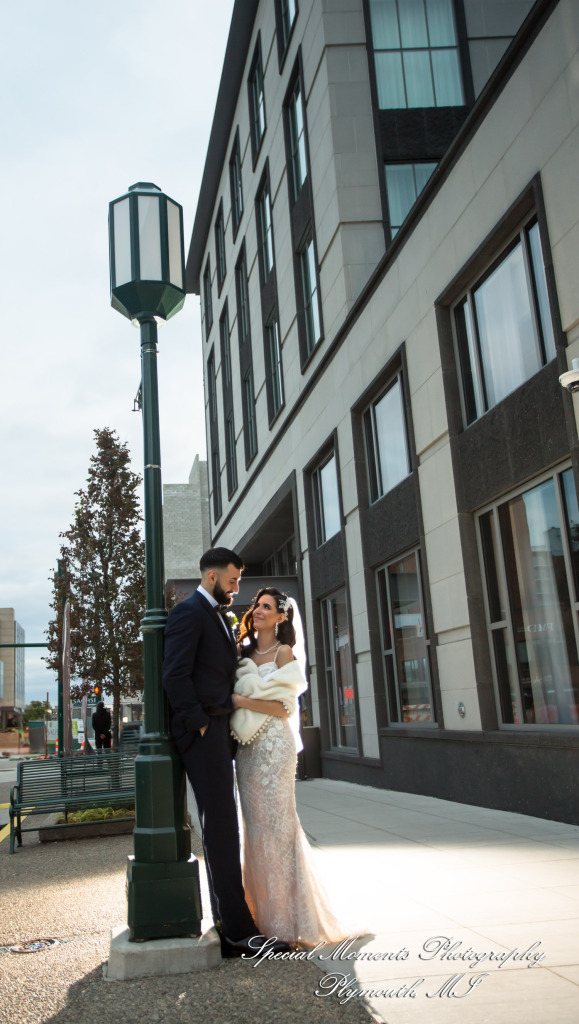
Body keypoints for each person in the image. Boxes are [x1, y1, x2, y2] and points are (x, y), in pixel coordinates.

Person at [162, 548, 290, 959]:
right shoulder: (189, 613)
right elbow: (174, 674)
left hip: (219, 731)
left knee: (224, 828)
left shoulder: (218, 614)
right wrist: (199, 722)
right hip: (202, 733)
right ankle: (237, 933)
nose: (238, 588)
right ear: (212, 576)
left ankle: (234, 924)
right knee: (220, 828)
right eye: (233, 580)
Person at [231, 588, 346, 946]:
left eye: (267, 607)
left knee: (279, 828)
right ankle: (261, 916)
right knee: (254, 829)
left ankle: (287, 921)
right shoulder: (244, 653)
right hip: (247, 749)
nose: (259, 610)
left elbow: (283, 708)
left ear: (281, 617)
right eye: (257, 605)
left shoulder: (283, 653)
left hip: (276, 748)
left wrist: (241, 699)